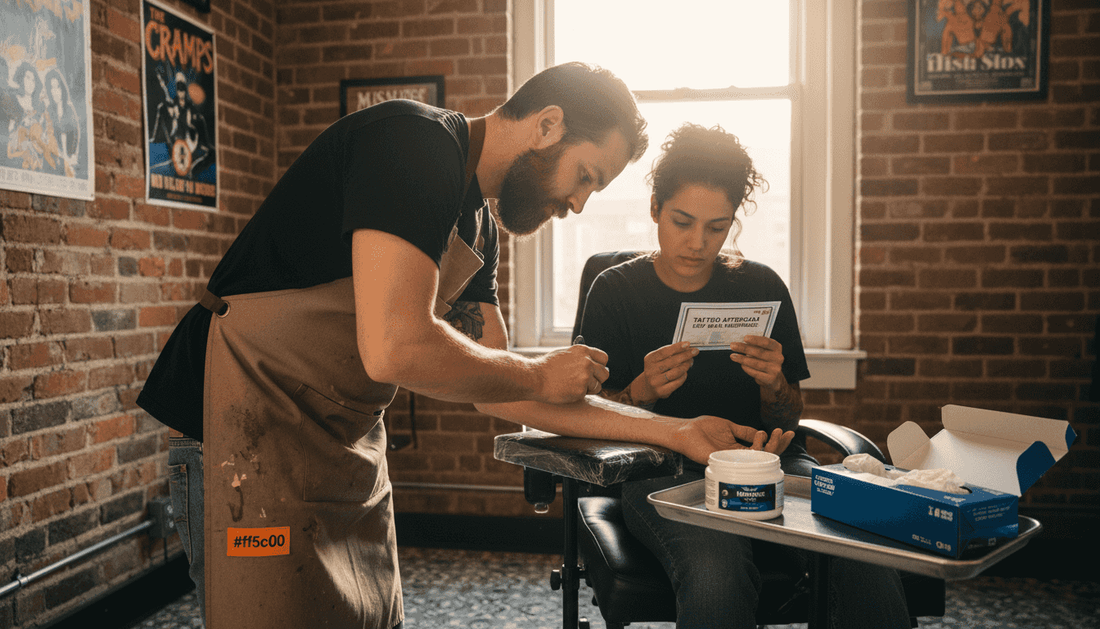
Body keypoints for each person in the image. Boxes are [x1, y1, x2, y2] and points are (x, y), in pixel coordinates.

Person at [137, 62, 790, 629]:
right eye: (586, 175)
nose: (580, 203)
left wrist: (680, 433)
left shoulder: (477, 228)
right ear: (547, 125)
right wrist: (536, 376)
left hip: (340, 447)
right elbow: (395, 348)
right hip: (243, 436)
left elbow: (501, 396)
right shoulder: (414, 144)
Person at [576, 123, 912, 629]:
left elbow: (788, 415)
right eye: (681, 222)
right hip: (662, 471)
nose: (697, 242)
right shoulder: (614, 291)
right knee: (717, 575)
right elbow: (589, 414)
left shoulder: (759, 284)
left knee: (861, 552)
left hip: (768, 461)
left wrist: (774, 386)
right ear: (654, 210)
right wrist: (641, 391)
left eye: (716, 227)